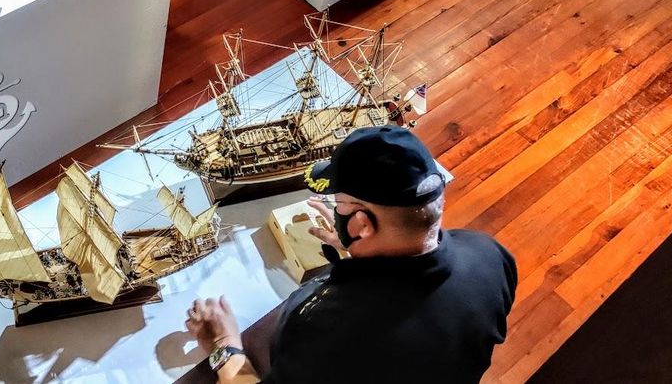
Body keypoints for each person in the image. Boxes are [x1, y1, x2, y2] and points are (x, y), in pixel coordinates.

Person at [185, 126, 517, 384]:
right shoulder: (490, 255)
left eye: (339, 204)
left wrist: (223, 345)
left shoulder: (325, 331)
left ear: (361, 223)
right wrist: (361, 246)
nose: (335, 211)